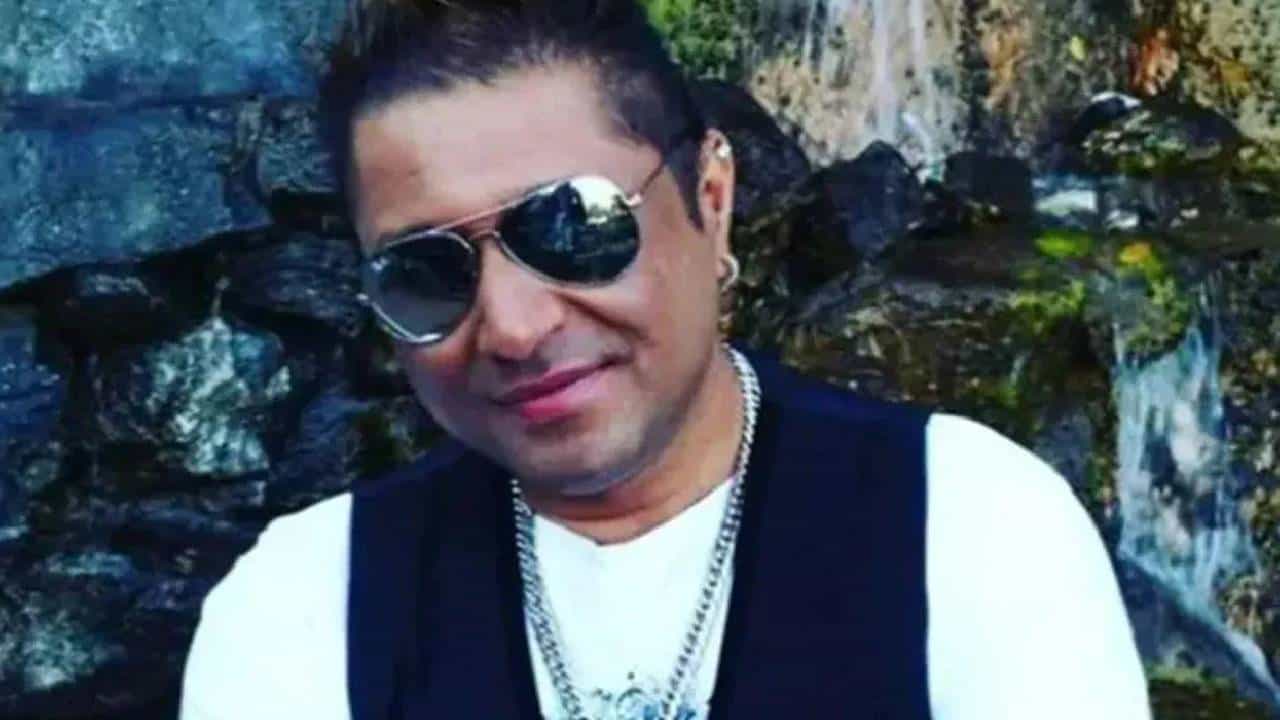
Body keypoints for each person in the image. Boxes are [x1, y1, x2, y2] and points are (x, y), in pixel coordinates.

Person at [179, 1, 1152, 718]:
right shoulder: (308, 605)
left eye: (571, 225)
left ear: (711, 197)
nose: (512, 325)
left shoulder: (971, 527)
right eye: (425, 273)